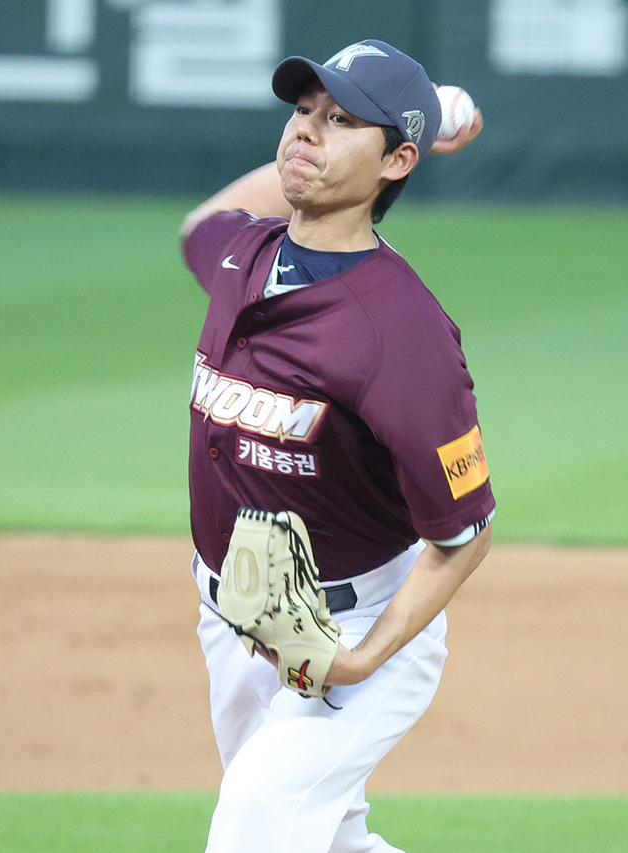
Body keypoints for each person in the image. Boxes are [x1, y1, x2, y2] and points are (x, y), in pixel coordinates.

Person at [181, 39, 494, 853]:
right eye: (302, 112)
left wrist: (365, 660)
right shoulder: (239, 256)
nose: (305, 133)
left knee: (253, 831)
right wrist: (430, 111)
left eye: (341, 119)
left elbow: (463, 533)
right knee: (321, 837)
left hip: (350, 629)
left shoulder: (402, 333)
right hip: (232, 618)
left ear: (396, 160)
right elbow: (199, 220)